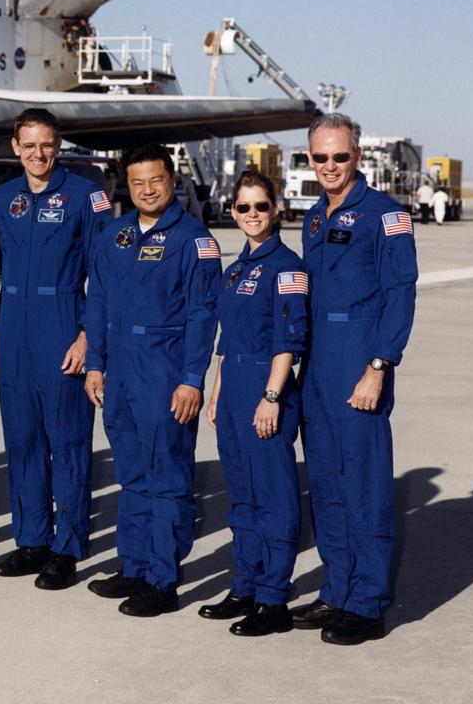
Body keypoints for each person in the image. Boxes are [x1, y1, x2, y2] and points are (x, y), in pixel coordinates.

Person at [292, 114, 416, 645]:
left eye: (340, 156)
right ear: (310, 157)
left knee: (363, 483)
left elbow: (400, 294)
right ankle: (337, 589)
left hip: (359, 361)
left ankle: (367, 603)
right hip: (317, 365)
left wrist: (379, 366)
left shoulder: (386, 215)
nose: (330, 166)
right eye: (320, 157)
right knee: (325, 483)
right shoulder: (312, 218)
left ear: (357, 156)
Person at [84, 143, 221, 617]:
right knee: (131, 474)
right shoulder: (115, 234)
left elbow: (204, 313)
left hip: (164, 373)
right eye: (137, 182)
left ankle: (163, 579)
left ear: (173, 180)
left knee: (167, 476)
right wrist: (95, 363)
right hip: (119, 372)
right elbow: (98, 300)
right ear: (126, 184)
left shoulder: (193, 239)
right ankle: (134, 565)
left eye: (156, 180)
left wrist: (191, 379)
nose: (147, 190)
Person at [0, 109, 110, 590]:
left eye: (47, 145)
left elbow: (104, 275)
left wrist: (87, 337)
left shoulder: (85, 197)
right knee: (22, 441)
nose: (38, 154)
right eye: (29, 145)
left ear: (58, 146)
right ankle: (32, 539)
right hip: (15, 333)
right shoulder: (3, 198)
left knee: (68, 443)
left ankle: (67, 548)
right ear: (15, 147)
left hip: (62, 328)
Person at [201, 171, 308, 636]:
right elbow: (226, 341)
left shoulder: (287, 268)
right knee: (242, 496)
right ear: (233, 212)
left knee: (273, 496)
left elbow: (289, 341)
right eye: (243, 207)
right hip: (234, 391)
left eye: (260, 206)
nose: (252, 215)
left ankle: (273, 598)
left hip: (268, 386)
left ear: (275, 210)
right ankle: (244, 585)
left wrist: (272, 396)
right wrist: (217, 392)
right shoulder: (234, 270)